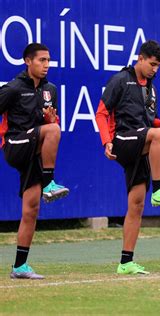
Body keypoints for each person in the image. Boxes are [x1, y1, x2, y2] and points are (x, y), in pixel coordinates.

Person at [95, 40, 160, 275]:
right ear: (140, 58)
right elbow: (101, 113)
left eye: (158, 66)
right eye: (152, 64)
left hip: (140, 143)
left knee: (136, 205)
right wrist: (106, 141)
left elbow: (150, 124)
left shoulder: (151, 89)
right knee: (158, 136)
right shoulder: (120, 80)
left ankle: (125, 262)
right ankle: (159, 188)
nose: (155, 69)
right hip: (123, 140)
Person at [0, 43, 70, 279]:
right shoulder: (13, 88)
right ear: (28, 62)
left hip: (34, 150)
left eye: (48, 60)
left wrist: (51, 118)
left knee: (31, 209)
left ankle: (19, 266)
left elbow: (52, 123)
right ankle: (50, 183)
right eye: (41, 60)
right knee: (52, 131)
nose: (46, 65)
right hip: (15, 144)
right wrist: (50, 125)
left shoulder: (50, 89)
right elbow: (51, 131)